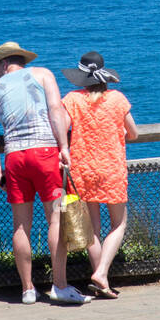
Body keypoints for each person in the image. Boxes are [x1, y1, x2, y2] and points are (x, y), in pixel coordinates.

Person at [0, 41, 90, 305]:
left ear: (4, 64)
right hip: (45, 153)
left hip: (15, 159)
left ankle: (27, 289)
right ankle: (60, 286)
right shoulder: (42, 74)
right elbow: (55, 110)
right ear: (19, 60)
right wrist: (64, 147)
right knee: (55, 219)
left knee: (20, 225)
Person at [61, 51, 138, 299]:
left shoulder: (72, 100)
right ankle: (102, 273)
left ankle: (100, 278)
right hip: (111, 168)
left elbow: (60, 129)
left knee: (92, 228)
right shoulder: (117, 99)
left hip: (82, 169)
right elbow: (133, 133)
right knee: (119, 224)